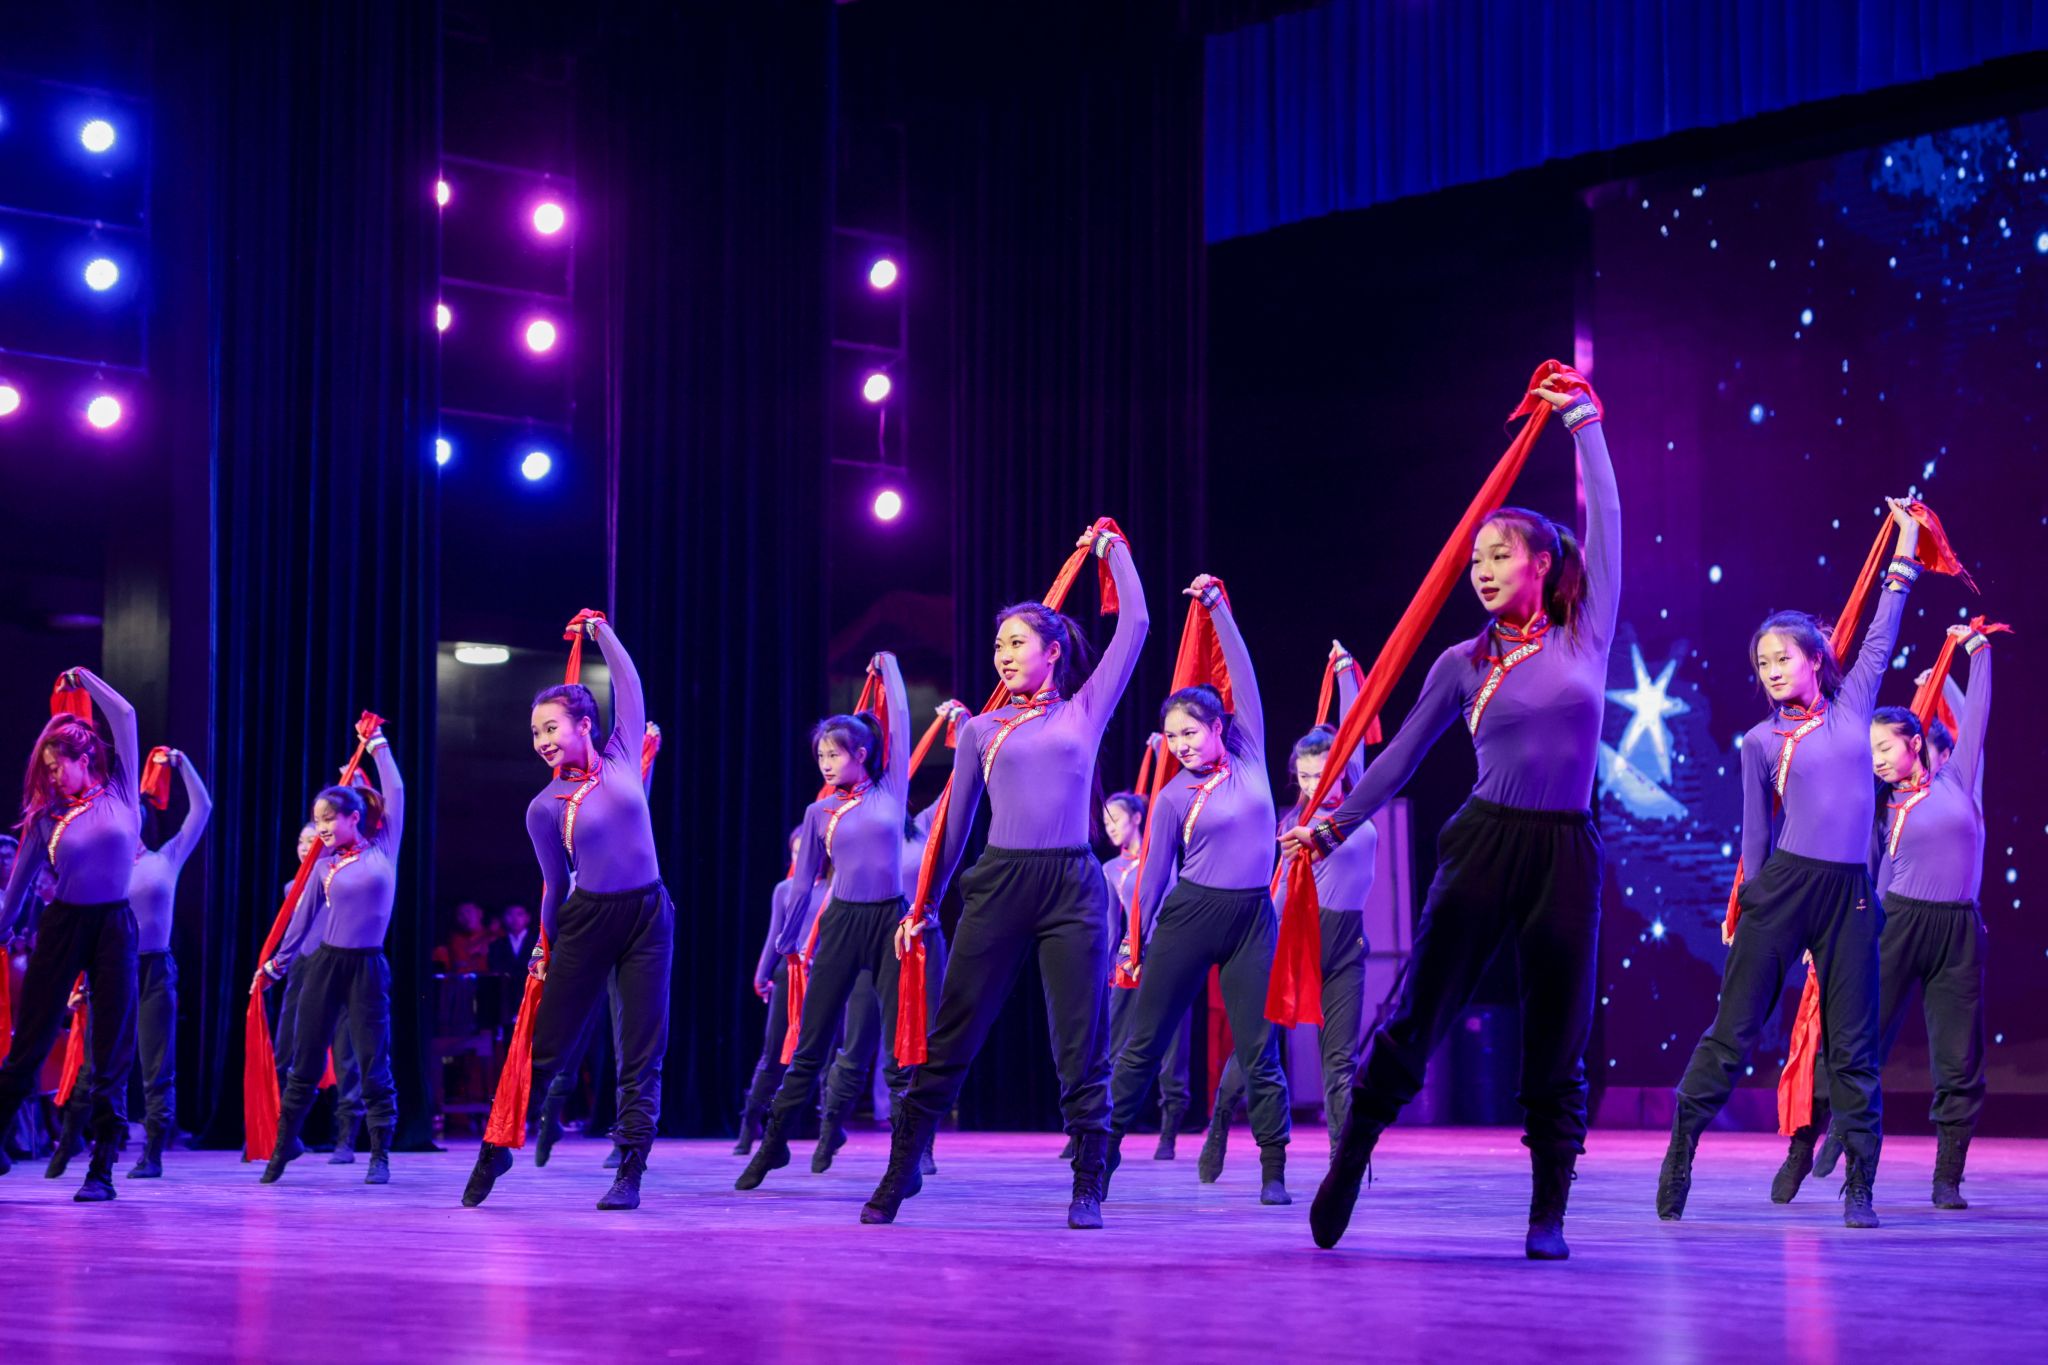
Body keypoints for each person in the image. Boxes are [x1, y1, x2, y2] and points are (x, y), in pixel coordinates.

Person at [1283, 372, 1616, 1258]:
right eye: (1474, 561)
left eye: (1500, 555)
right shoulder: (1459, 664)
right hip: (1483, 843)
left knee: (1559, 1030)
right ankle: (1353, 1150)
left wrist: (1583, 424)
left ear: (1543, 562)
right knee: (1419, 1010)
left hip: (1566, 853)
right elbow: (1399, 757)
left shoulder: (1585, 633)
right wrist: (1334, 820)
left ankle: (1549, 1207)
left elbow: (1609, 523)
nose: (1483, 570)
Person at [861, 524, 1147, 1229]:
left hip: (1073, 886)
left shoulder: (1084, 710)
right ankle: (904, 1164)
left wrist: (1111, 550)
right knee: (954, 1031)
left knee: (1080, 1040)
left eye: (1018, 642)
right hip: (999, 883)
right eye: (999, 646)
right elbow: (954, 825)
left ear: (1053, 651)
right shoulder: (982, 731)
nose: (1005, 654)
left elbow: (1136, 623)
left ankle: (1088, 1181)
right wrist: (924, 905)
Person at [1663, 499, 1923, 1229]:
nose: (1773, 670)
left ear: (1815, 659)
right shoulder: (1758, 742)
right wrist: (1746, 903)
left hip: (1849, 897)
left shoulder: (1855, 707)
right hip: (1781, 890)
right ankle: (1682, 1145)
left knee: (1853, 1045)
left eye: (1784, 658)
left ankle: (1859, 1184)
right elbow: (1754, 838)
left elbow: (1884, 627)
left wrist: (1905, 545)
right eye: (1763, 663)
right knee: (1735, 1030)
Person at [464, 614, 672, 1211]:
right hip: (587, 921)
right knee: (548, 1045)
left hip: (650, 916)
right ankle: (498, 1145)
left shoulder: (623, 757)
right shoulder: (543, 807)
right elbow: (554, 886)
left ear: (585, 725)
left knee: (642, 1048)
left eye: (551, 727)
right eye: (535, 732)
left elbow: (630, 684)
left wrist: (602, 633)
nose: (542, 740)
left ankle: (630, 1168)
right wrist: (545, 946)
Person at [1787, 624, 1995, 1209]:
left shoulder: (1960, 781)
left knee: (1959, 1059)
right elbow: (1866, 879)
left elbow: (1976, 717)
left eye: (1884, 749)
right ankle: (1823, 1137)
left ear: (1916, 744)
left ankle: (1947, 1177)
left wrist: (1972, 656)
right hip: (1894, 926)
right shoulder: (1877, 808)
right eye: (1870, 751)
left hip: (1957, 932)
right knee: (1856, 1040)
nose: (1876, 760)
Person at [1106, 577, 1290, 1204]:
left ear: (1217, 727)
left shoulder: (1250, 755)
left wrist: (1217, 609)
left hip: (1252, 920)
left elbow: (1243, 675)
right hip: (1188, 918)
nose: (1182, 745)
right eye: (1174, 737)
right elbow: (1154, 877)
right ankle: (1098, 1164)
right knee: (1143, 1046)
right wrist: (1134, 942)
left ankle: (1273, 1168)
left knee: (1260, 1049)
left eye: (1192, 732)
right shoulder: (1169, 797)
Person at [739, 654, 952, 1192]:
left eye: (834, 754)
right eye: (820, 756)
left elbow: (898, 719)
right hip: (839, 926)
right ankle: (773, 1145)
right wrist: (789, 943)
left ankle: (907, 1156)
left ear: (862, 754)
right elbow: (803, 884)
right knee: (809, 1046)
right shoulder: (818, 814)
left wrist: (891, 669)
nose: (826, 764)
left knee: (900, 1051)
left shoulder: (890, 791)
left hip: (891, 925)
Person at [1206, 642, 1376, 1180]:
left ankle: (1343, 1166)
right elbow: (1277, 893)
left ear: (1341, 770)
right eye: (1302, 776)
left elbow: (1356, 727)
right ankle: (1219, 1120)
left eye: (1321, 773)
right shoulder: (1295, 828)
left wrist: (1345, 673)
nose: (1311, 784)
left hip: (1345, 948)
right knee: (1257, 1049)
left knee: (1340, 1063)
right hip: (1290, 944)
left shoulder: (1355, 805)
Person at [0, 668, 145, 1201]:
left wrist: (86, 679)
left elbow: (125, 715)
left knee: (111, 1049)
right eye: (46, 768)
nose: (53, 775)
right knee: (31, 1043)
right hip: (63, 926)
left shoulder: (122, 791)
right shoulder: (47, 819)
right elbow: (15, 895)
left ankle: (101, 1169)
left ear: (85, 759)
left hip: (114, 927)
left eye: (58, 764)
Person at [257, 717, 405, 1186]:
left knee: (372, 1063)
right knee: (304, 1062)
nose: (320, 827)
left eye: (328, 819)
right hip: (324, 965)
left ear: (353, 817)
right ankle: (282, 1149)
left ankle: (379, 1155)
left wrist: (377, 746)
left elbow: (396, 790)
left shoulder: (383, 848)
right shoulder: (322, 865)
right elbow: (300, 920)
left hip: (367, 968)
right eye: (317, 820)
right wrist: (276, 963)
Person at [125, 748, 212, 1178]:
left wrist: (182, 764)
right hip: (112, 969)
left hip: (156, 970)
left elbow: (203, 808)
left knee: (157, 1065)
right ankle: (90, 1145)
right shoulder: (103, 865)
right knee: (99, 1065)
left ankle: (154, 1151)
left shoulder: (166, 859)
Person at [1093, 787, 1193, 1163]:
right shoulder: (1110, 869)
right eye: (1105, 822)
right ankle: (1098, 1126)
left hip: (1168, 956)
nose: (1109, 827)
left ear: (1136, 818)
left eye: (1115, 819)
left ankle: (1168, 1133)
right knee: (1114, 1045)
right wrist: (1106, 970)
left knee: (1172, 1048)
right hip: (1128, 959)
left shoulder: (1163, 857)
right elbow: (1110, 925)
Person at [435, 902, 491, 974]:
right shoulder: (453, 941)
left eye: (469, 912)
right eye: (461, 914)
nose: (466, 917)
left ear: (480, 913)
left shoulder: (492, 939)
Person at [488, 904, 537, 975]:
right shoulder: (496, 944)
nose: (515, 919)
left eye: (519, 914)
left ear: (527, 918)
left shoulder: (538, 941)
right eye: (510, 914)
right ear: (503, 918)